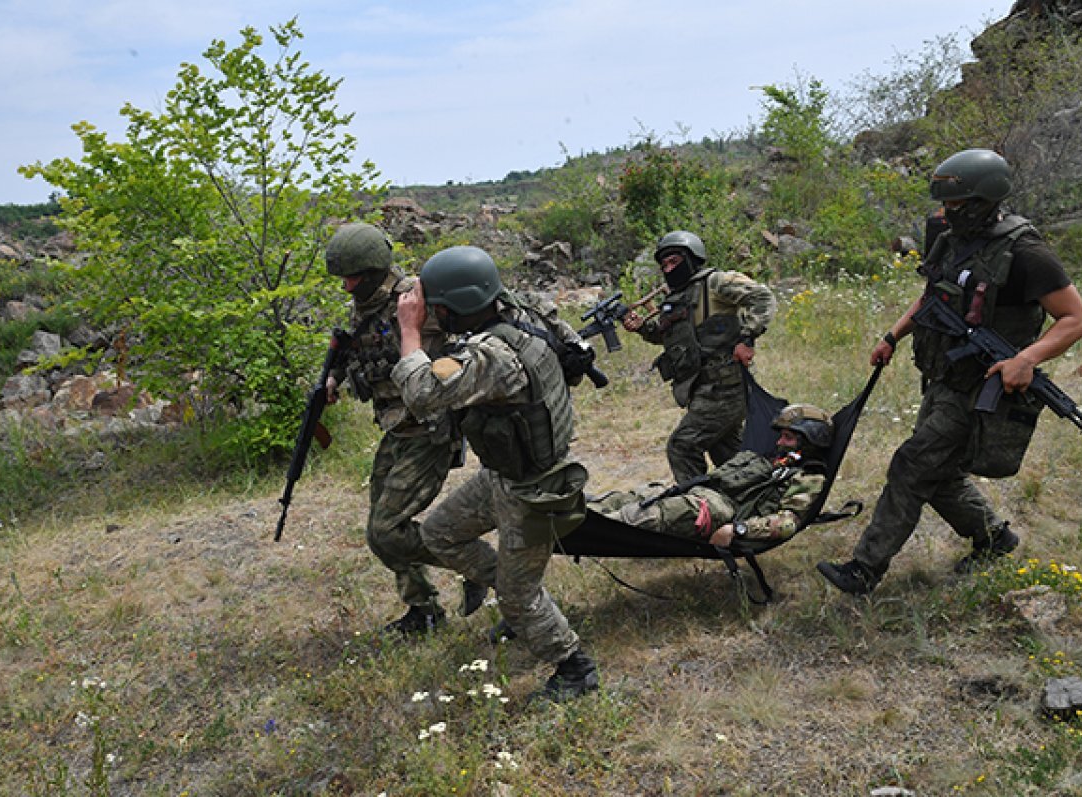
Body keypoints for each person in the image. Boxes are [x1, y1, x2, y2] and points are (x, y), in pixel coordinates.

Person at [817, 149, 1082, 595]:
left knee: (911, 465)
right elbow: (932, 298)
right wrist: (893, 335)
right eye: (946, 204)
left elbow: (1077, 319)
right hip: (945, 376)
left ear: (986, 200)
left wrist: (1026, 359)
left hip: (984, 385)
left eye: (957, 205)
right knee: (936, 471)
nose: (947, 213)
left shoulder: (1026, 251)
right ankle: (993, 539)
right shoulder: (950, 238)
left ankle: (865, 569)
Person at [392, 245, 599, 702]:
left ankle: (574, 668)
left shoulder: (490, 357)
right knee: (441, 533)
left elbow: (422, 392)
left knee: (517, 596)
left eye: (438, 310)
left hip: (533, 491)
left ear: (454, 308)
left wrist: (409, 330)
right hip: (505, 477)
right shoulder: (523, 313)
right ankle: (517, 597)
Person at [323, 223, 485, 635]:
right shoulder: (367, 305)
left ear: (374, 271)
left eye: (352, 279)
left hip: (429, 429)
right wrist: (334, 377)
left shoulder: (416, 297)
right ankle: (423, 609)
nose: (346, 287)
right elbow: (359, 345)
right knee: (381, 532)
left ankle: (482, 565)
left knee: (386, 530)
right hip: (397, 429)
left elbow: (468, 335)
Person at [622, 230, 777, 483]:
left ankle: (696, 507)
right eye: (664, 265)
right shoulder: (678, 297)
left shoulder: (715, 283)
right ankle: (753, 496)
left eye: (675, 261)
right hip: (699, 388)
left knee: (682, 446)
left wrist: (747, 338)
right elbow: (671, 337)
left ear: (692, 258)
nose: (669, 269)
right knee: (728, 455)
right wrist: (641, 327)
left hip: (725, 387)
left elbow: (763, 297)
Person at [590, 404, 833, 547]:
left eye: (788, 437)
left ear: (810, 441)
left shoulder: (809, 477)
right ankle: (573, 510)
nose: (779, 442)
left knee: (641, 515)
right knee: (627, 498)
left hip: (717, 509)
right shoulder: (777, 460)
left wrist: (738, 530)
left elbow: (788, 522)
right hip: (699, 492)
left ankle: (582, 528)